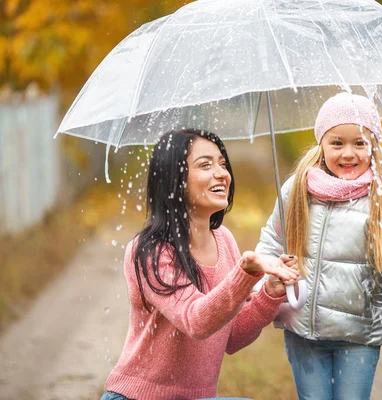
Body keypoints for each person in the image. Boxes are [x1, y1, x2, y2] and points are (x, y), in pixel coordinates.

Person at [256, 92, 382, 400]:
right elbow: (272, 240)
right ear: (321, 144)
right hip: (304, 328)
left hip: (359, 332)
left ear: (373, 146)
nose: (348, 153)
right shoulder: (297, 188)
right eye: (337, 143)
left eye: (360, 143)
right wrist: (266, 275)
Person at [101, 128, 299, 400]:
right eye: (205, 165)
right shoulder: (150, 251)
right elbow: (196, 321)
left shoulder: (224, 239)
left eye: (222, 163)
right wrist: (245, 274)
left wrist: (270, 294)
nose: (221, 173)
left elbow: (231, 337)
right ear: (175, 181)